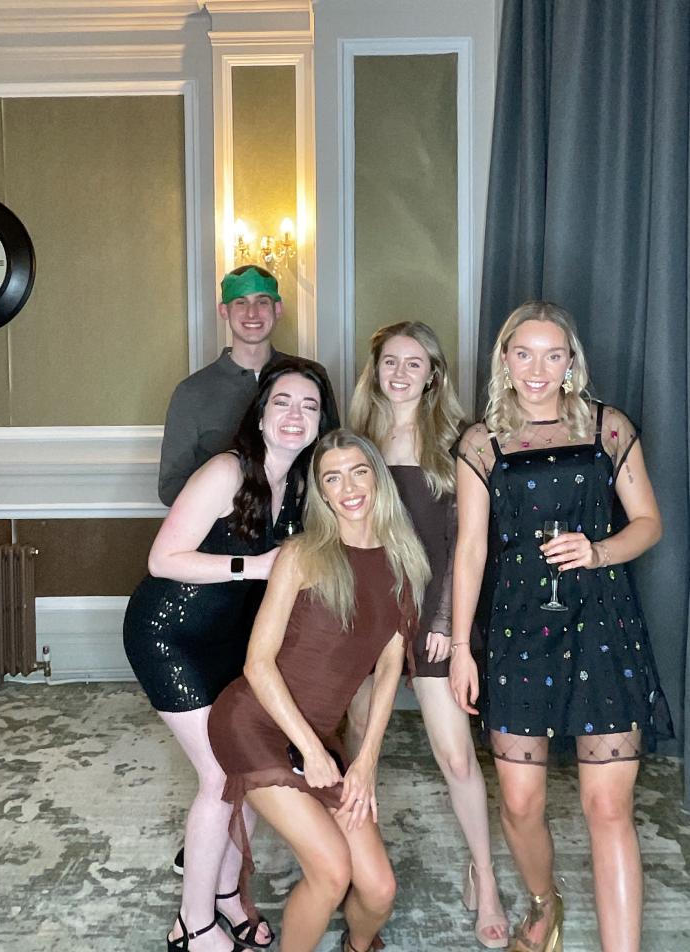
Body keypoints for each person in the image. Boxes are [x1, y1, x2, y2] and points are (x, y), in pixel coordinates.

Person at [450, 301, 672, 952]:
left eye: (553, 355)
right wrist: (461, 647)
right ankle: (545, 902)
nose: (537, 369)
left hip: (602, 622)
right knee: (520, 802)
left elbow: (648, 524)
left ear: (571, 362)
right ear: (504, 360)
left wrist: (599, 551)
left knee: (608, 807)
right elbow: (470, 550)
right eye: (524, 353)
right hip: (519, 629)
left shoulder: (608, 427)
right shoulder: (481, 441)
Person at [124, 358, 333, 952]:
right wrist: (256, 565)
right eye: (282, 402)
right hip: (168, 635)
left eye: (309, 406)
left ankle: (225, 897)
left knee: (243, 769)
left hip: (229, 643)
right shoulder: (226, 471)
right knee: (219, 775)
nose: (294, 415)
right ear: (260, 416)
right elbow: (163, 559)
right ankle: (192, 926)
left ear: (320, 423)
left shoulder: (300, 489)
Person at [207, 429, 431, 952]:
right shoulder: (303, 554)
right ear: (322, 493)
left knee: (378, 890)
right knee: (331, 871)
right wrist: (310, 751)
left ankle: (357, 947)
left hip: (320, 737)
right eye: (333, 478)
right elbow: (258, 665)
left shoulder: (404, 561)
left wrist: (365, 762)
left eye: (358, 472)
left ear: (377, 478)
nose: (348, 488)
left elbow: (390, 663)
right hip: (257, 723)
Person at [347, 321, 509, 949]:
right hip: (370, 613)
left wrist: (446, 622)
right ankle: (360, 869)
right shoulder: (357, 438)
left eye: (414, 363)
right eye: (391, 361)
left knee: (456, 756)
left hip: (435, 613)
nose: (401, 373)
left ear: (434, 373)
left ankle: (485, 877)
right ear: (376, 369)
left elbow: (466, 541)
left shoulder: (460, 439)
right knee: (359, 745)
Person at [159, 263, 339, 507]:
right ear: (224, 310)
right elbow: (170, 487)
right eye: (240, 302)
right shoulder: (191, 392)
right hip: (225, 528)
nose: (252, 313)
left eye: (262, 302)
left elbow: (333, 457)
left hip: (300, 524)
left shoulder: (311, 377)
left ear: (278, 309)